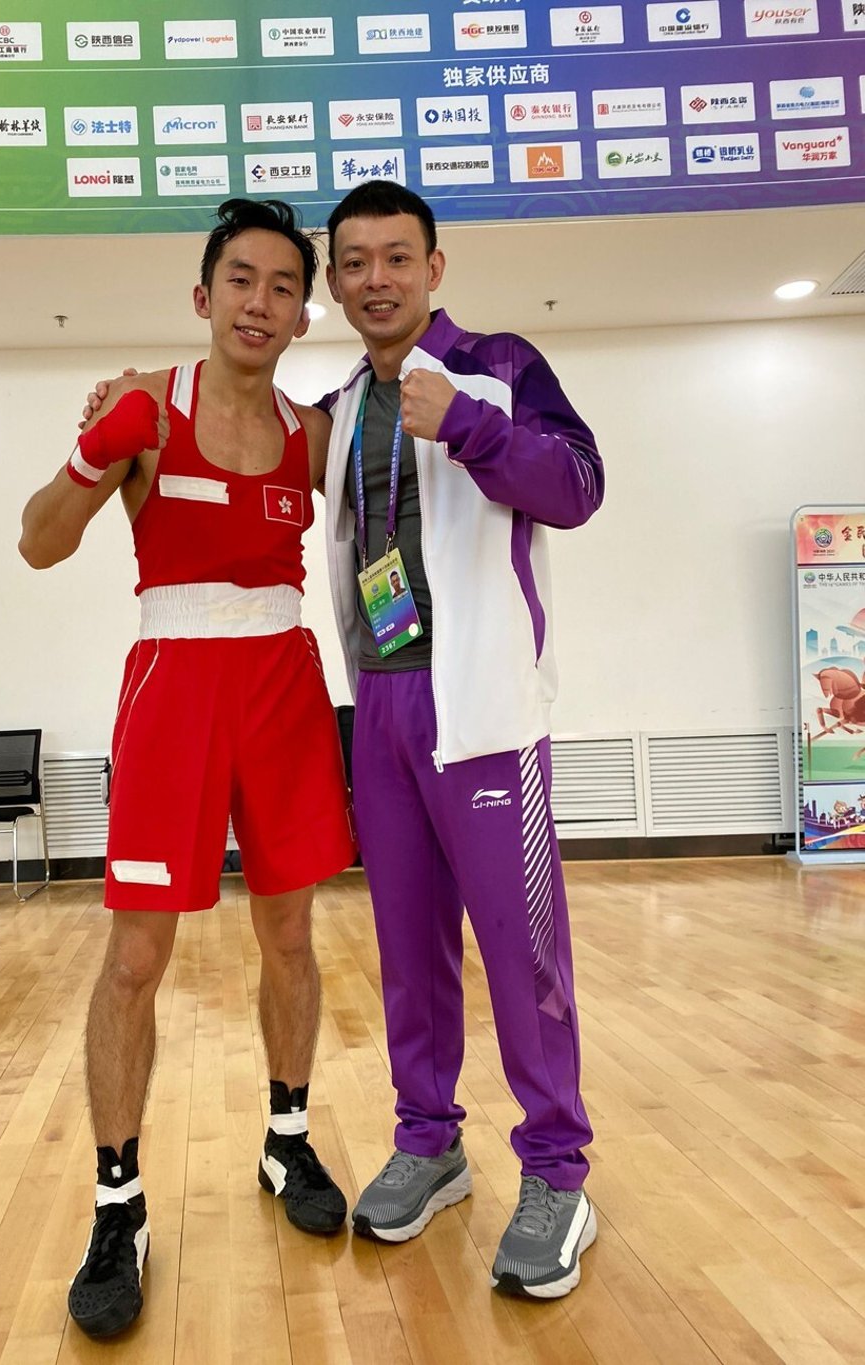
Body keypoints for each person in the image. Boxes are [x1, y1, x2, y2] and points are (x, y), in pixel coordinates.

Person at [18, 199, 356, 1340]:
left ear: (299, 311)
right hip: (173, 691)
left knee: (293, 935)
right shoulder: (143, 411)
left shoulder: (316, 434)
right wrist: (87, 453)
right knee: (134, 958)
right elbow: (37, 538)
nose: (260, 303)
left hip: (283, 688)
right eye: (240, 281)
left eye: (280, 287)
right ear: (202, 297)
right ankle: (118, 1206)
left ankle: (286, 1137)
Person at [319, 181, 604, 1299]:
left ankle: (556, 1174)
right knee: (408, 950)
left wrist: (475, 426)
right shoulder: (340, 405)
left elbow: (578, 488)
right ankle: (428, 1139)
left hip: (485, 713)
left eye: (398, 256)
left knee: (524, 958)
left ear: (435, 267)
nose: (376, 278)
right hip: (382, 706)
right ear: (335, 281)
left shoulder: (499, 366)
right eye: (355, 262)